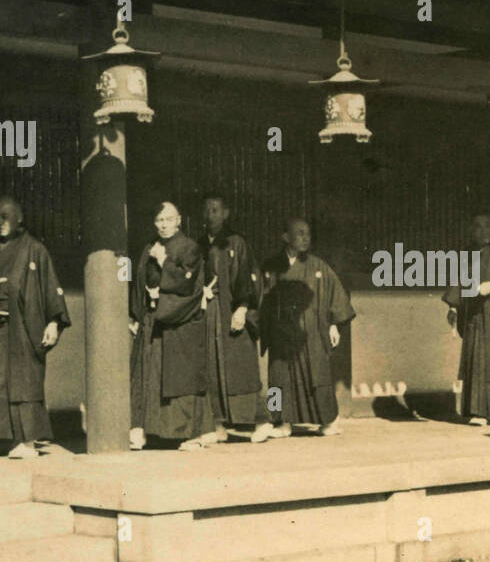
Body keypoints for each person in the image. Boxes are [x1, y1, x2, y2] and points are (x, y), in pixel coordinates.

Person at [0, 197, 70, 459]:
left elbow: (50, 288)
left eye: (5, 216)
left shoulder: (35, 250)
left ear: (19, 218)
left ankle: (28, 441)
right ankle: (10, 439)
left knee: (23, 383)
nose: (0, 222)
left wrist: (54, 322)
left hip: (21, 328)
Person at [128, 201, 214, 450]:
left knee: (180, 378)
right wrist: (134, 313)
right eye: (159, 221)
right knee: (147, 376)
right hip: (152, 321)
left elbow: (188, 284)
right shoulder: (148, 247)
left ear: (179, 220)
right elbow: (137, 281)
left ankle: (189, 433)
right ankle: (144, 429)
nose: (163, 225)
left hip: (180, 322)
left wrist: (164, 260)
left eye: (168, 219)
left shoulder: (190, 248)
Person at [259, 218, 355, 437]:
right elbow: (261, 299)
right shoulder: (271, 266)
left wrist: (333, 325)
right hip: (281, 334)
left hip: (311, 332)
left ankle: (328, 421)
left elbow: (335, 295)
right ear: (286, 237)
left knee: (318, 374)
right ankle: (279, 422)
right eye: (299, 233)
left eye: (308, 234)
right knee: (277, 379)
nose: (305, 238)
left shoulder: (319, 266)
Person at [200, 193, 272, 444]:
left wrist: (242, 308)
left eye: (216, 209)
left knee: (242, 367)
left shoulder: (237, 242)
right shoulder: (200, 243)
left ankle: (260, 421)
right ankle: (218, 423)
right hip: (211, 312)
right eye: (208, 209)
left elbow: (248, 277)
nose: (211, 215)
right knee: (212, 366)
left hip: (233, 310)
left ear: (226, 213)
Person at [443, 214, 490, 426]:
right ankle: (477, 412)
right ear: (471, 230)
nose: (483, 231)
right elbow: (458, 282)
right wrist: (453, 307)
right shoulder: (466, 253)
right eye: (478, 227)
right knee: (477, 359)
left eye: (487, 226)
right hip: (475, 314)